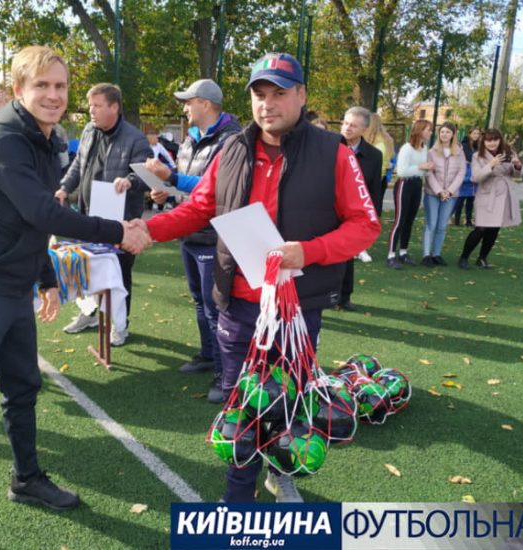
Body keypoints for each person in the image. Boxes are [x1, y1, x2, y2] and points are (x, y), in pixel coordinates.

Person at [0, 45, 149, 547]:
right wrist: (118, 231)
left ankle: (26, 478)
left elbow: (29, 218)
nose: (54, 95)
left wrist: (46, 278)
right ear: (18, 90)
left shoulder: (45, 136)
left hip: (13, 288)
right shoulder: (5, 139)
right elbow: (43, 212)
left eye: (61, 86)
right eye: (42, 85)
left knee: (22, 387)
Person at [137, 52, 380, 502]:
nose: (268, 104)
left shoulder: (334, 153)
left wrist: (307, 251)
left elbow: (365, 225)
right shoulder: (232, 148)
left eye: (279, 93)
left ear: (301, 96)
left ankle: (279, 473)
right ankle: (238, 497)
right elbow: (199, 207)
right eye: (260, 94)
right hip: (237, 306)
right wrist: (146, 230)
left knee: (286, 403)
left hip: (295, 311)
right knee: (240, 409)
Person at [144, 78, 241, 404]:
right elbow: (191, 188)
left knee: (216, 308)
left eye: (189, 101)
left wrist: (171, 177)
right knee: (201, 301)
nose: (184, 107)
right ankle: (208, 355)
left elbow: (219, 187)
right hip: (190, 232)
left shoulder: (231, 141)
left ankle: (225, 375)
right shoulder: (189, 141)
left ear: (206, 104)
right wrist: (166, 191)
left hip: (215, 235)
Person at [56, 82, 153, 346]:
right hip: (88, 217)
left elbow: (147, 174)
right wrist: (65, 187)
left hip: (121, 222)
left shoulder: (135, 138)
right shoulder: (89, 130)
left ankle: (120, 326)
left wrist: (130, 180)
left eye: (97, 106)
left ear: (114, 107)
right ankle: (89, 314)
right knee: (87, 269)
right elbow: (78, 164)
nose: (91, 111)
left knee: (119, 274)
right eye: (90, 106)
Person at [458, 128, 522, 270]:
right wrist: (490, 165)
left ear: (500, 140)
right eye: (488, 140)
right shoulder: (477, 156)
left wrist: (517, 166)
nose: (492, 143)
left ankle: (482, 258)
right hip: (487, 194)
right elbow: (476, 177)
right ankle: (464, 257)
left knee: (494, 228)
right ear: (484, 141)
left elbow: (515, 174)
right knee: (481, 227)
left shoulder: (509, 152)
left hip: (504, 193)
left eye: (495, 140)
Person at [338, 106, 382, 310]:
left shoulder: (374, 155)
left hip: (353, 214)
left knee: (347, 257)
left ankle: (344, 297)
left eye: (353, 125)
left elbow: (374, 189)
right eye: (345, 123)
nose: (347, 128)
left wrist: (373, 217)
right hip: (326, 209)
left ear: (364, 129)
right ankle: (324, 296)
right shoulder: (329, 146)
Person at [386, 119, 433, 269]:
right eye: (428, 129)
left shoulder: (424, 148)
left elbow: (422, 171)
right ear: (420, 130)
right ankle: (391, 255)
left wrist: (427, 169)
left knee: (409, 221)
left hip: (417, 185)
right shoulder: (407, 148)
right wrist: (421, 166)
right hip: (404, 185)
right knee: (400, 220)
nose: (430, 132)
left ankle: (403, 252)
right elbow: (401, 171)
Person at [421, 122, 465, 267]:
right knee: (431, 224)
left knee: (442, 226)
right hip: (432, 194)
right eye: (442, 132)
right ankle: (426, 255)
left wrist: (449, 191)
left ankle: (436, 254)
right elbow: (429, 173)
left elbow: (461, 173)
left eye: (448, 132)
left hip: (451, 195)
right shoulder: (431, 152)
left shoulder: (459, 152)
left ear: (453, 134)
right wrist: (439, 191)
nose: (444, 134)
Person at [363, 112, 395, 220]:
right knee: (376, 207)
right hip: (382, 178)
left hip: (373, 180)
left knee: (370, 209)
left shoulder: (377, 143)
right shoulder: (386, 140)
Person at [452, 127, 480, 226]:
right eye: (474, 133)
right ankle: (457, 220)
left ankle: (468, 220)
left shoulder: (477, 146)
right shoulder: (463, 145)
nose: (476, 135)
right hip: (465, 172)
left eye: (477, 133)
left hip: (474, 173)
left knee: (471, 199)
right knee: (460, 199)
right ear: (469, 134)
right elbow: (467, 158)